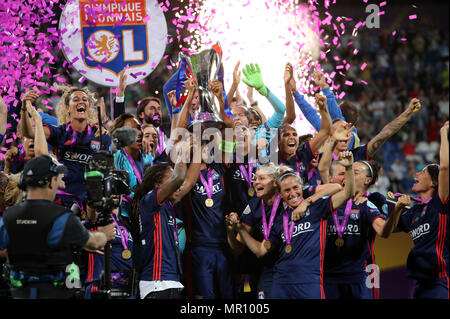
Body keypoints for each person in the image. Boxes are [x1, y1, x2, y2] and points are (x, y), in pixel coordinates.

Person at [0, 155, 115, 299]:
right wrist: (105, 234)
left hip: (20, 294)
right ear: (51, 182)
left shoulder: (8, 217)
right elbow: (94, 243)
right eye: (57, 177)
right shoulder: (62, 218)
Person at [19, 87, 111, 211]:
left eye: (85, 99)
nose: (81, 102)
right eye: (76, 99)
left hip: (89, 204)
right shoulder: (60, 132)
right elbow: (29, 132)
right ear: (67, 108)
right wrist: (24, 108)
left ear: (89, 107)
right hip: (63, 200)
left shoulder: (100, 136)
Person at [394, 121, 449, 299]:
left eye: (423, 171)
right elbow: (386, 229)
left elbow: (445, 168)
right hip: (419, 285)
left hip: (441, 281)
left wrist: (443, 132)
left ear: (434, 182)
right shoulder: (412, 213)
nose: (416, 174)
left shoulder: (440, 202)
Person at [131, 159, 188, 299]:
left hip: (171, 283)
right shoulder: (149, 202)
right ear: (158, 186)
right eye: (171, 180)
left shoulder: (168, 206)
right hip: (157, 284)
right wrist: (183, 154)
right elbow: (180, 178)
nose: (178, 186)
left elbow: (189, 182)